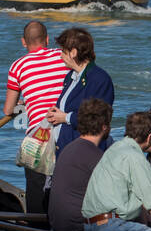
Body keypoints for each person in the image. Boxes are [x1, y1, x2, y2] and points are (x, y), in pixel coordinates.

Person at [79, 112, 151, 231]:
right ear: (150, 137)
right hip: (111, 227)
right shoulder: (134, 157)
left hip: (90, 225)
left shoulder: (114, 149)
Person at [3, 20, 67, 214]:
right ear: (47, 40)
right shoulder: (62, 56)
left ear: (24, 42)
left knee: (35, 187)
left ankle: (35, 225)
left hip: (38, 135)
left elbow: (8, 110)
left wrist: (23, 105)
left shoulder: (18, 67)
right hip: (66, 129)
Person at [45, 27, 115, 157]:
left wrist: (65, 117)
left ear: (74, 52)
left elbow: (98, 120)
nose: (60, 55)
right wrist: (55, 114)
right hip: (64, 150)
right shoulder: (71, 77)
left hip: (83, 154)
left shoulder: (99, 79)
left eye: (63, 51)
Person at [47, 98, 110, 231]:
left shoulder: (68, 149)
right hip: (78, 228)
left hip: (58, 225)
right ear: (105, 127)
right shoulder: (96, 156)